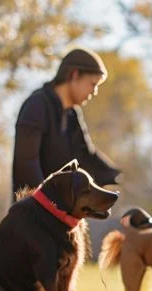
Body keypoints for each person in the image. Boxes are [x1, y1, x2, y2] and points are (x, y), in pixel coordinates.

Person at [13, 48, 121, 199]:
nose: (94, 92)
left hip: (61, 213)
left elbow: (86, 155)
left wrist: (118, 177)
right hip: (33, 214)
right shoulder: (36, 105)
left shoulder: (73, 115)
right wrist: (46, 203)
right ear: (74, 75)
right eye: (92, 84)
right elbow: (27, 165)